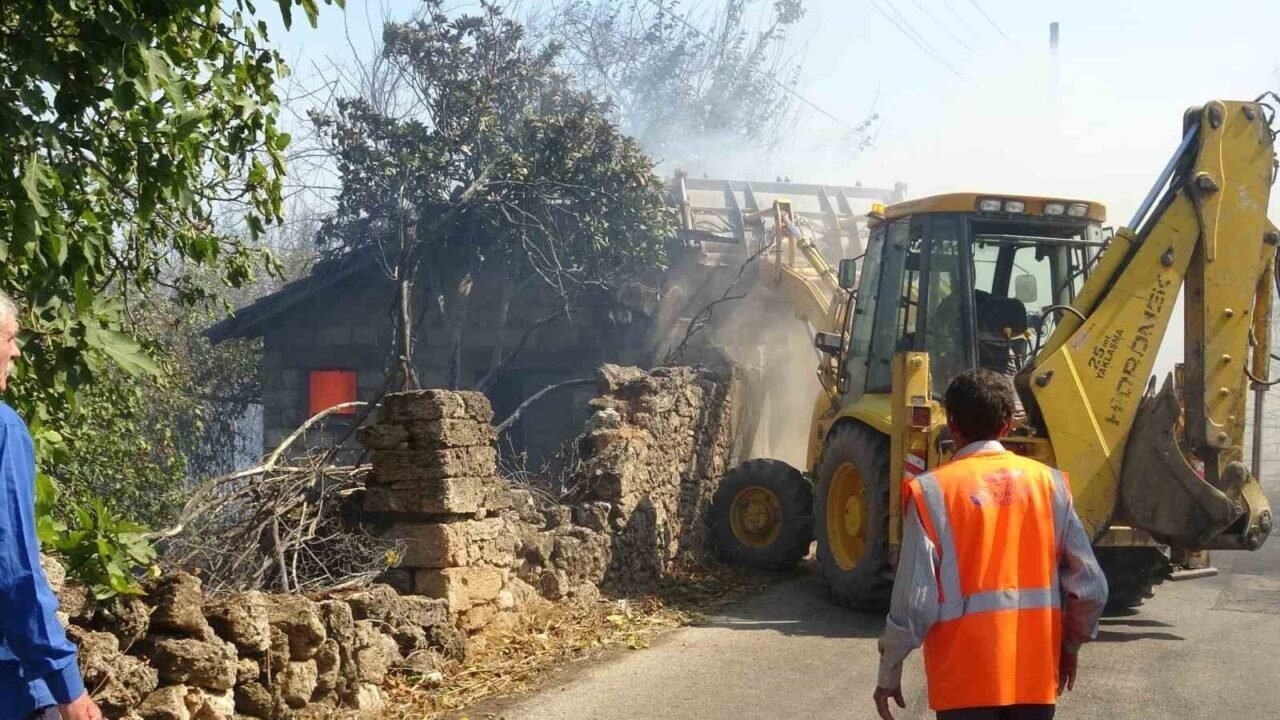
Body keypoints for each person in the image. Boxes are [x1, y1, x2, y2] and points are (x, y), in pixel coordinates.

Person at [872, 368, 1108, 720]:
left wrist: (889, 670)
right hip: (1033, 681)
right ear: (1008, 425)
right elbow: (1091, 589)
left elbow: (914, 603)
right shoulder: (1050, 486)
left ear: (952, 424)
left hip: (963, 686)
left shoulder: (933, 493)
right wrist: (1069, 645)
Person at [0, 291, 102, 720]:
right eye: (10, 338)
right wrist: (68, 686)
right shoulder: (4, 430)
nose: (16, 352)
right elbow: (14, 569)